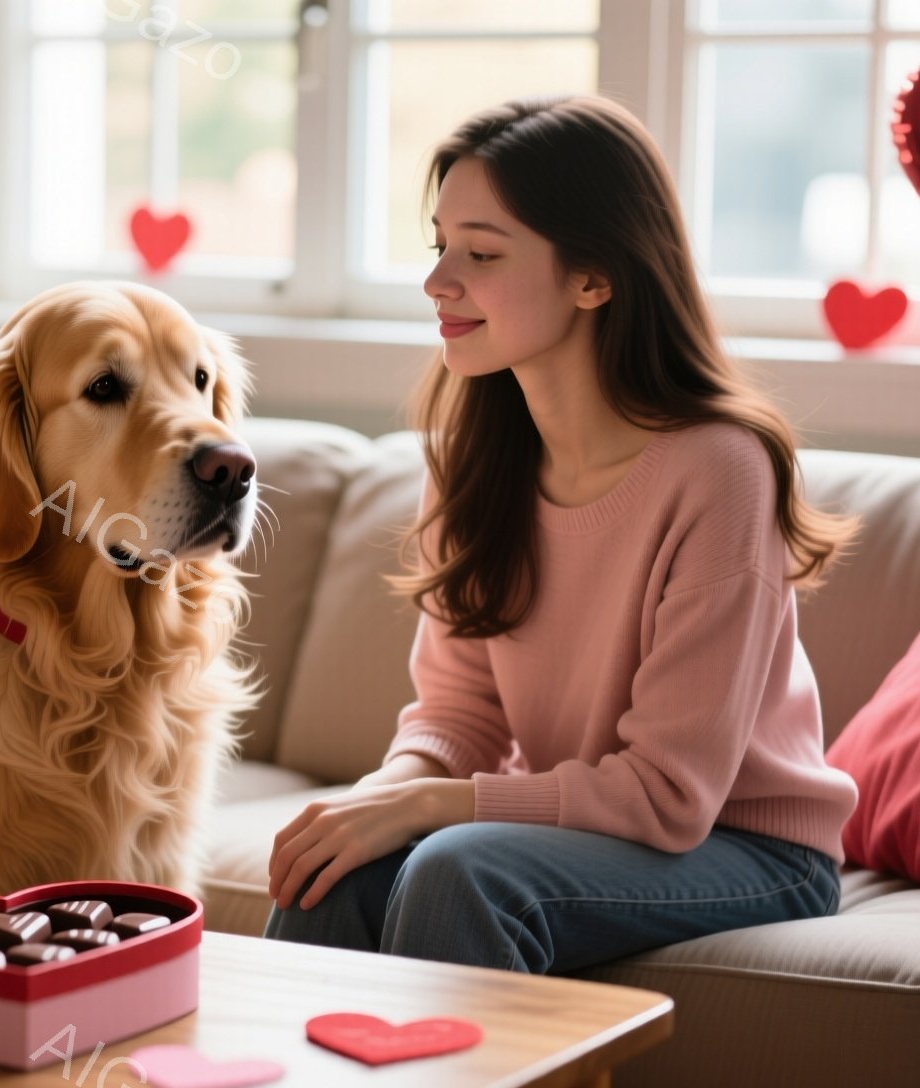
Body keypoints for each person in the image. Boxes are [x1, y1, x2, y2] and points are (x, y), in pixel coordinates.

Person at [261, 95, 861, 974]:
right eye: (439, 248)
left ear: (593, 277)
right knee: (333, 870)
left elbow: (667, 796)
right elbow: (459, 714)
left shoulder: (720, 470)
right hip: (596, 830)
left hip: (752, 850)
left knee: (458, 870)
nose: (438, 282)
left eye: (482, 253)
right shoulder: (474, 459)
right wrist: (379, 798)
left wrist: (433, 808)